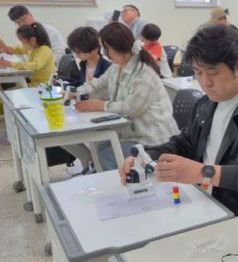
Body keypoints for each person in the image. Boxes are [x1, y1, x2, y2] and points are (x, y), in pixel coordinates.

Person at [119, 24, 238, 218]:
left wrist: (203, 173)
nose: (205, 82)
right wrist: (146, 155)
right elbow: (187, 142)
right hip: (207, 201)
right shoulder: (205, 104)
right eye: (198, 72)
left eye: (213, 72)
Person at [67, 23, 178, 170]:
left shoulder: (144, 73)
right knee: (101, 146)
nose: (104, 53)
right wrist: (74, 92)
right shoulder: (116, 67)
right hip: (131, 133)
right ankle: (107, 176)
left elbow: (131, 109)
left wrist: (101, 105)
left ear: (118, 46)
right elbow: (98, 85)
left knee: (107, 156)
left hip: (153, 138)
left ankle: (122, 181)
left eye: (106, 48)